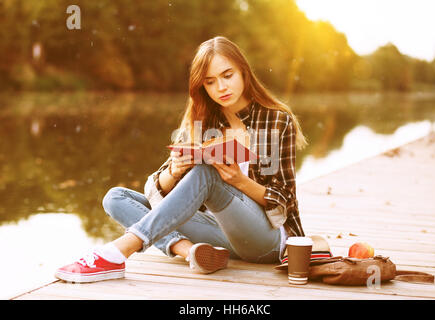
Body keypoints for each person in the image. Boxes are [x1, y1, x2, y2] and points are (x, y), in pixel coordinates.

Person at [55, 36, 308, 283]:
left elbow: (284, 198)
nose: (221, 87)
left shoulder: (275, 120)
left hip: (265, 239)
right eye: (210, 82)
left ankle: (117, 252)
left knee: (208, 174)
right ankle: (191, 252)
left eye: (227, 75)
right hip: (218, 236)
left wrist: (240, 181)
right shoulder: (201, 120)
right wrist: (174, 172)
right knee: (116, 198)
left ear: (244, 72)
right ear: (202, 87)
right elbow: (155, 190)